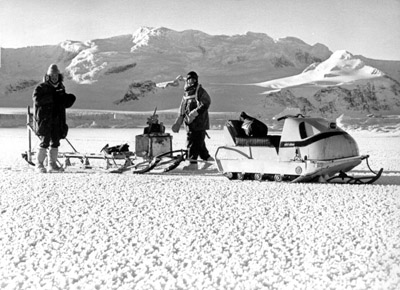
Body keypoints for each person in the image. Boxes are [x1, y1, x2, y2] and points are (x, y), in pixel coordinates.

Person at [32, 64, 76, 173]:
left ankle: (52, 164)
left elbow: (62, 103)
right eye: (52, 75)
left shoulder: (61, 87)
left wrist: (68, 99)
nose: (54, 77)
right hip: (45, 120)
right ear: (48, 76)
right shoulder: (41, 87)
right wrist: (51, 98)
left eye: (56, 75)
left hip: (57, 119)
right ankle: (39, 164)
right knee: (44, 142)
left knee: (55, 142)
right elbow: (37, 100)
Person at [172, 71, 214, 170]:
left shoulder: (199, 91)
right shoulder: (186, 93)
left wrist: (193, 114)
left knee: (193, 142)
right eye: (189, 79)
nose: (191, 82)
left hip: (199, 123)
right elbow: (182, 108)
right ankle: (208, 160)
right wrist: (178, 121)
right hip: (190, 124)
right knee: (199, 143)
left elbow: (206, 103)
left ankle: (193, 163)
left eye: (193, 80)